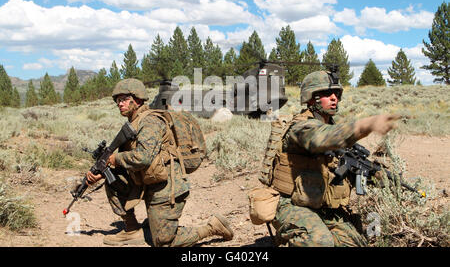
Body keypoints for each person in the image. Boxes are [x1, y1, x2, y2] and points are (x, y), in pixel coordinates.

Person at [84, 78, 234, 246]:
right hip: (148, 180)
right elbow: (131, 163)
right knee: (114, 181)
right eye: (117, 100)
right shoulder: (133, 122)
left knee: (163, 241)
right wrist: (104, 172)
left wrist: (114, 159)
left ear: (138, 99)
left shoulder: (149, 121)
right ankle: (132, 229)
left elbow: (143, 157)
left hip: (166, 186)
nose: (120, 103)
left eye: (124, 99)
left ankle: (212, 227)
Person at [267, 70, 400, 247]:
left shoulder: (332, 128)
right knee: (319, 241)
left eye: (336, 94)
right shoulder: (301, 127)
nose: (333, 98)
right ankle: (289, 238)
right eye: (326, 93)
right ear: (311, 98)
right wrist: (366, 125)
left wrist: (376, 176)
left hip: (322, 207)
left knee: (355, 243)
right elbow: (324, 137)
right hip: (291, 205)